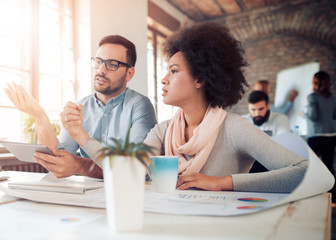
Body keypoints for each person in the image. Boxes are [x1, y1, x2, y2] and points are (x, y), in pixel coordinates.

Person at [68, 22, 308, 193]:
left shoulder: (234, 128)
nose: (164, 79)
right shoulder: (162, 132)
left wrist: (223, 182)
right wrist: (80, 134)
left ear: (200, 79)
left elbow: (304, 171)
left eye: (173, 71)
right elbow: (126, 172)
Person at [5, 35, 157, 178]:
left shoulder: (140, 106)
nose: (101, 70)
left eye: (111, 64)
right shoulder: (79, 107)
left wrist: (80, 166)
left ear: (129, 74)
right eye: (98, 61)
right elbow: (58, 158)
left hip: (131, 195)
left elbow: (132, 168)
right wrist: (40, 116)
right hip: (89, 194)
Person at [304, 71, 336, 200]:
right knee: (328, 166)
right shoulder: (333, 98)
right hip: (332, 135)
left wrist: (303, 114)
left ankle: (312, 195)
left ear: (316, 82)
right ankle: (332, 197)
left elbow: (313, 116)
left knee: (312, 167)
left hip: (316, 136)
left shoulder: (312, 97)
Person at [243, 90, 291, 173]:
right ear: (248, 108)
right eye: (253, 110)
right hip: (249, 163)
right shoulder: (243, 120)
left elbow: (284, 144)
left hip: (273, 163)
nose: (257, 113)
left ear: (268, 106)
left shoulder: (281, 119)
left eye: (261, 109)